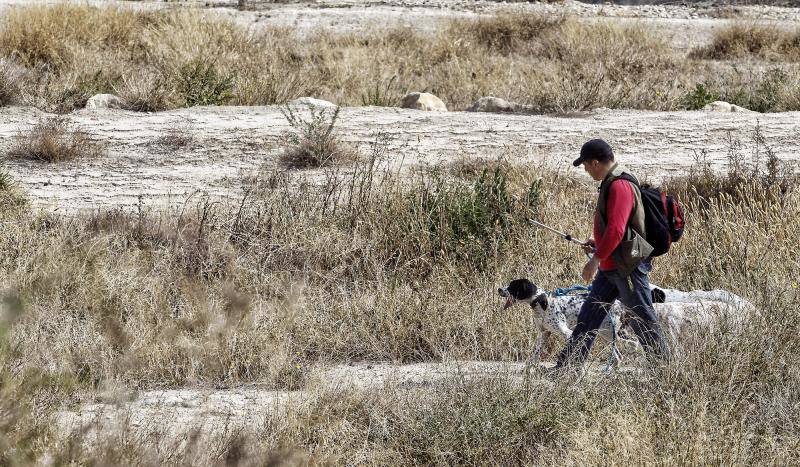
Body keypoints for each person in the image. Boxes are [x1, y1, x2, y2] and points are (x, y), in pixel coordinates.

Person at [554, 139, 670, 370]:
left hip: (626, 267)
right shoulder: (612, 182)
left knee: (642, 318)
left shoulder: (619, 186)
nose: (586, 171)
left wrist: (595, 260)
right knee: (588, 317)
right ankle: (566, 369)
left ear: (595, 162)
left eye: (586, 166)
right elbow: (616, 230)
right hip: (612, 266)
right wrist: (598, 244)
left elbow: (617, 229)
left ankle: (665, 370)